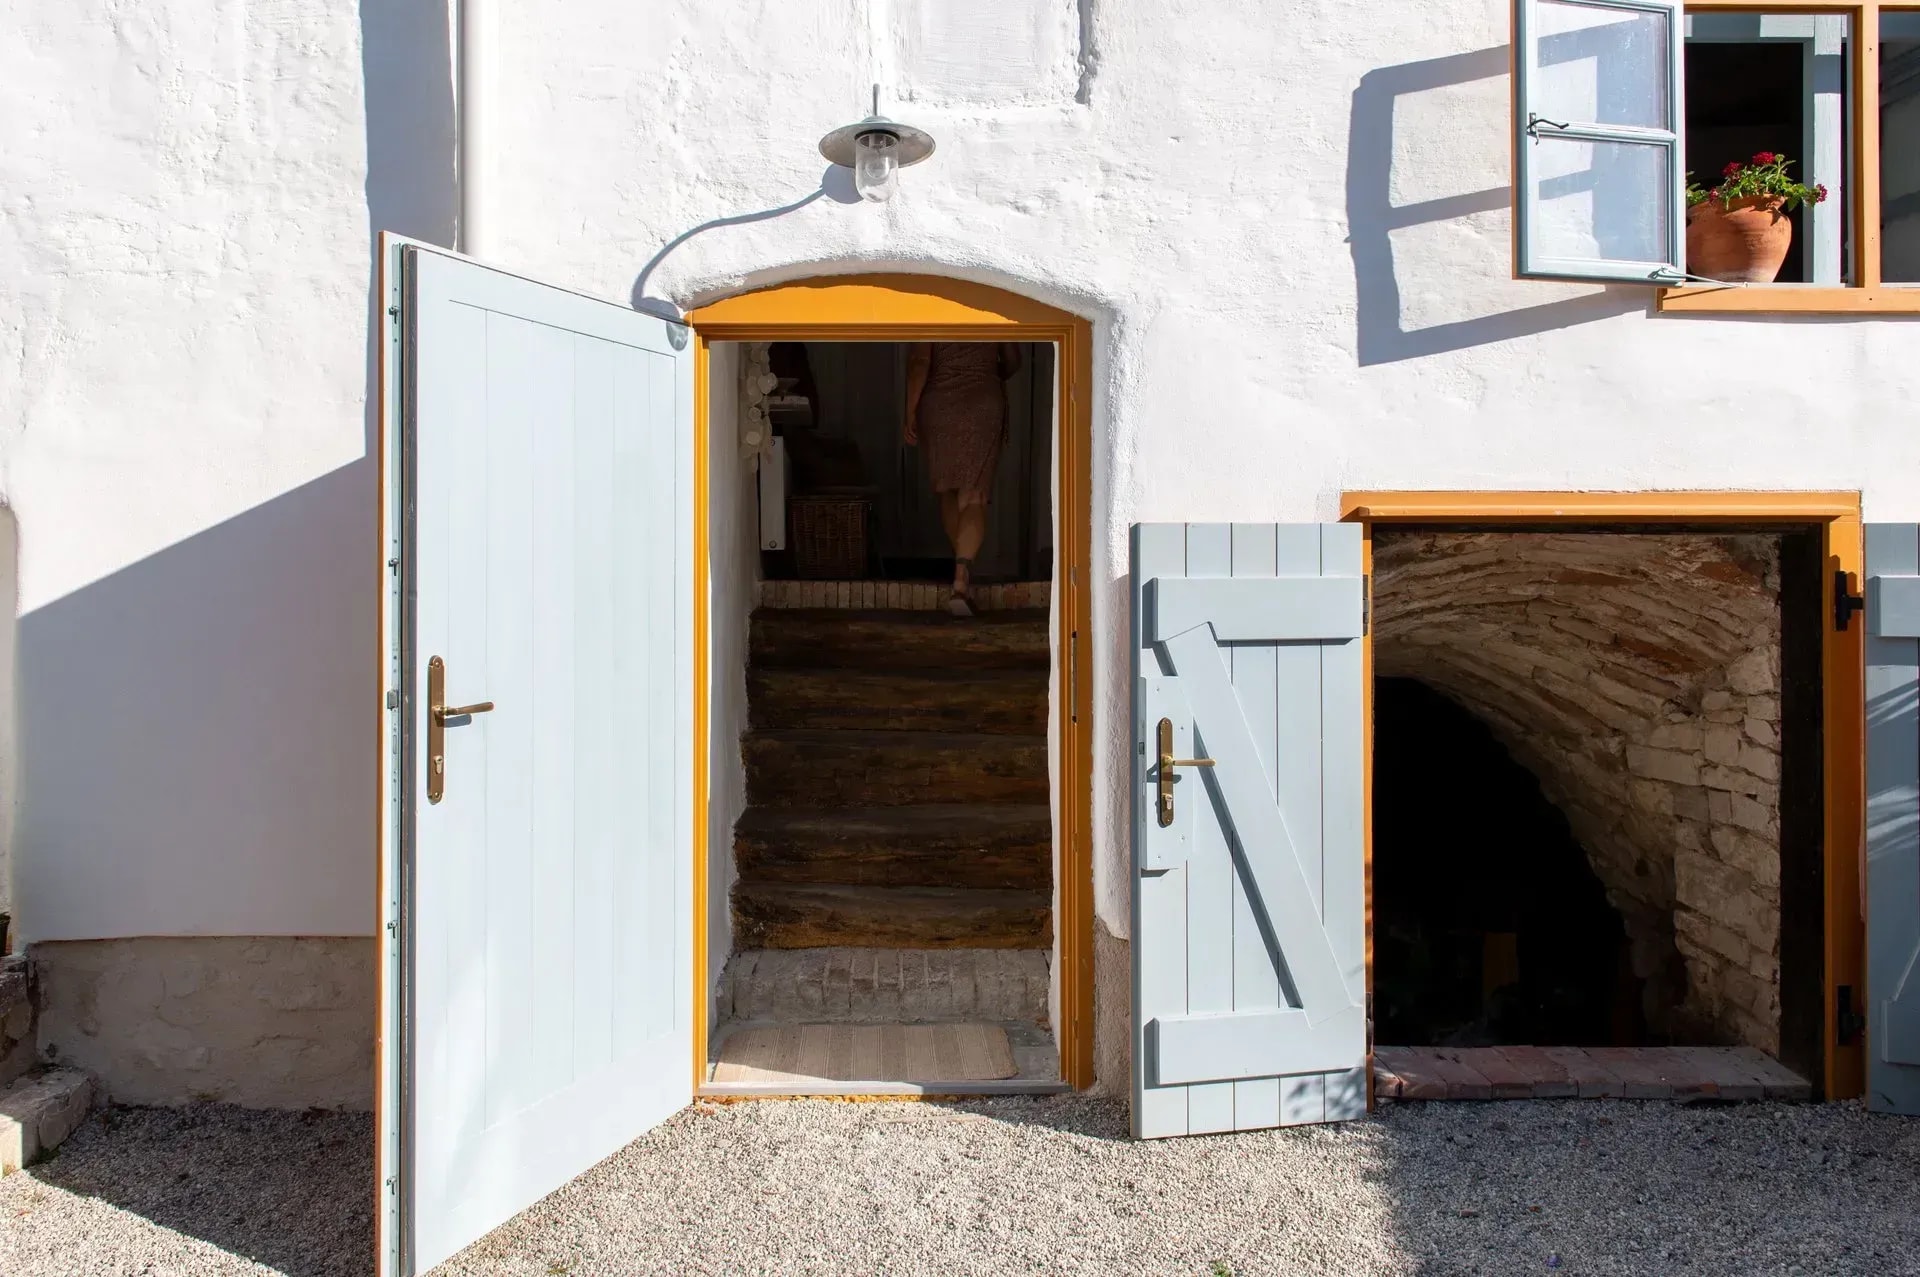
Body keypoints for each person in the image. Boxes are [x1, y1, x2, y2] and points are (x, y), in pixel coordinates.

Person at [903, 342, 1022, 615]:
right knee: (975, 495)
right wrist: (988, 371)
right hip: (983, 400)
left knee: (948, 490)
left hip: (940, 405)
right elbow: (1014, 360)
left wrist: (910, 411)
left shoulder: (932, 308)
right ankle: (961, 578)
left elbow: (920, 362)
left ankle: (961, 574)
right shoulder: (993, 307)